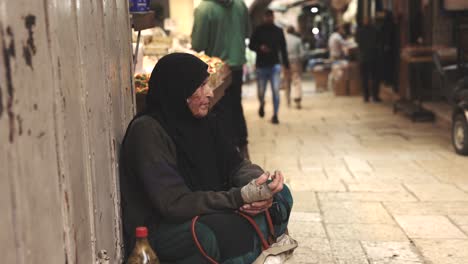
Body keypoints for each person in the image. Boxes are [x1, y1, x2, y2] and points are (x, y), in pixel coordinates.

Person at [119, 53, 293, 264]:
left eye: (208, 85)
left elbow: (236, 164)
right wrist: (238, 198)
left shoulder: (205, 122)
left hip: (209, 207)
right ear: (178, 89)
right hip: (163, 226)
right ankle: (260, 244)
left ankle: (258, 244)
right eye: (201, 86)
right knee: (214, 233)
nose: (210, 93)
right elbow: (174, 204)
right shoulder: (147, 131)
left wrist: (261, 184)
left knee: (281, 196)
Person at [191, 0, 250, 159]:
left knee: (218, 111)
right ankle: (242, 147)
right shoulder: (240, 5)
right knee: (236, 106)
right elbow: (247, 32)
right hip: (236, 65)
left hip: (216, 70)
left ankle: (227, 153)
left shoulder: (204, 9)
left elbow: (197, 44)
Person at [249, 10, 290, 124]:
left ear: (273, 17)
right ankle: (262, 103)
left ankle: (275, 115)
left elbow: (283, 49)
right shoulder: (258, 30)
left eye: (270, 17)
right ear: (264, 17)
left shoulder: (278, 31)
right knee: (261, 92)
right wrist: (260, 48)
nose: (269, 19)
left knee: (276, 91)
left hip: (275, 65)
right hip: (261, 66)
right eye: (267, 17)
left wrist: (286, 64)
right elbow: (251, 45)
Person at [356, 17, 381, 102]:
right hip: (373, 57)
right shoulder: (375, 30)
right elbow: (378, 42)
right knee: (375, 78)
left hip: (363, 57)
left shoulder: (359, 31)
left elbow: (357, 42)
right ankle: (375, 96)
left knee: (364, 78)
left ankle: (366, 97)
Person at [285, 26, 305, 109]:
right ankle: (297, 100)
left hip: (285, 63)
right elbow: (302, 54)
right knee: (296, 81)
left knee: (287, 82)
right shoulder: (298, 40)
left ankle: (288, 101)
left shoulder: (283, 40)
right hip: (296, 63)